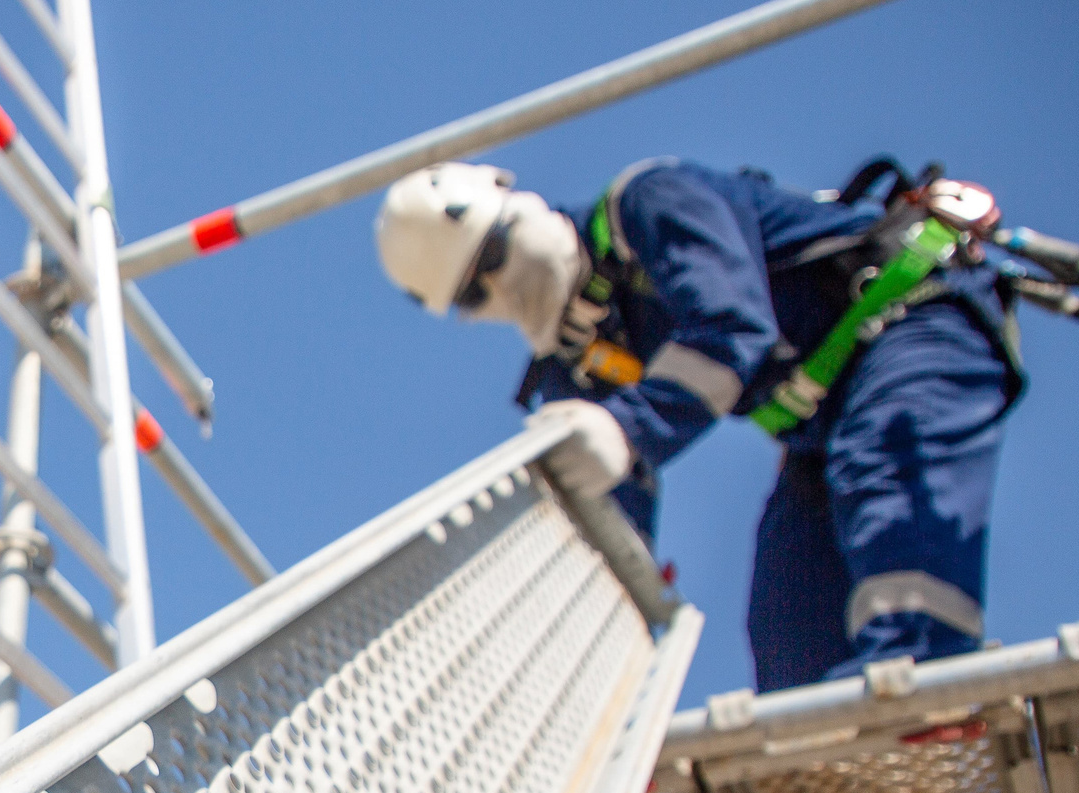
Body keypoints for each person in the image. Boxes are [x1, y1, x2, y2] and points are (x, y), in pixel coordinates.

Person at [375, 157, 1025, 692]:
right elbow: (610, 524)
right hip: (819, 426)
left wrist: (627, 429)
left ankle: (927, 693)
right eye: (474, 291)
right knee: (790, 631)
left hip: (912, 326)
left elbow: (733, 329)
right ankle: (839, 776)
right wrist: (594, 685)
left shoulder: (650, 203)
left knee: (886, 482)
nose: (502, 284)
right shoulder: (582, 358)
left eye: (493, 253)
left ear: (517, 204)